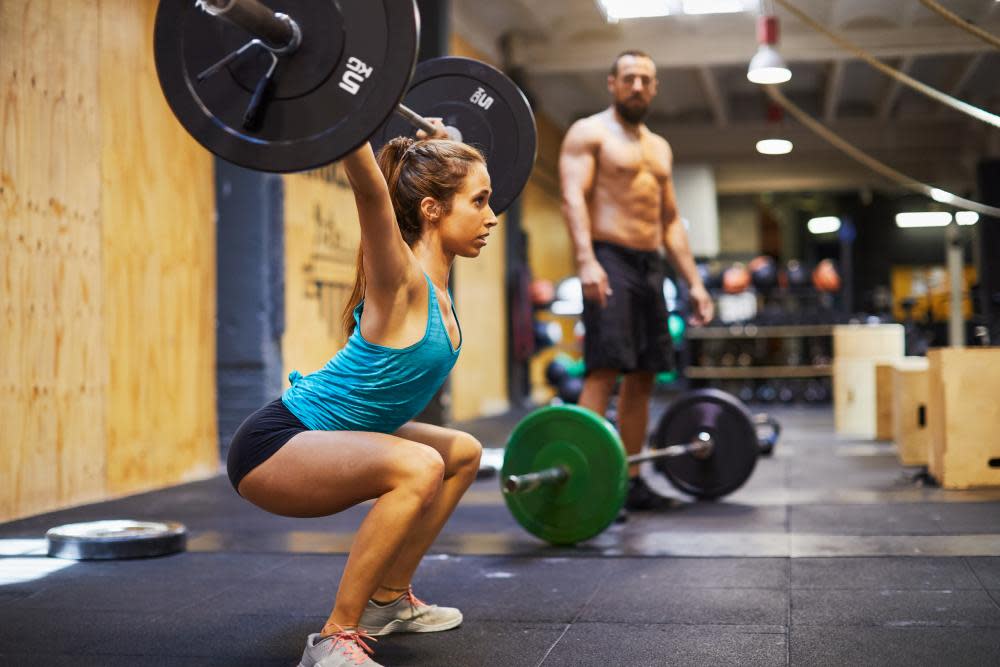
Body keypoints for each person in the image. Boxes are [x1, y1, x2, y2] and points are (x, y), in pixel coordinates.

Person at [226, 128, 497, 667]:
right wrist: (346, 117)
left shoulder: (441, 292)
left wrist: (449, 140)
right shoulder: (400, 280)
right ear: (431, 209)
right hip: (277, 445)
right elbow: (371, 191)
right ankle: (335, 638)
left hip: (336, 439)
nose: (492, 217)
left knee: (461, 453)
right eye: (480, 201)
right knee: (420, 466)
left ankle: (387, 602)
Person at [559, 50, 714, 512]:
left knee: (645, 373)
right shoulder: (589, 133)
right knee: (604, 368)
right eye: (629, 78)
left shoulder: (659, 148)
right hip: (609, 257)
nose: (638, 87)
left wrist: (694, 283)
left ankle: (631, 479)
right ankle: (585, 478)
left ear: (655, 86)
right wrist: (586, 260)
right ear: (612, 83)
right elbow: (572, 198)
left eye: (646, 79)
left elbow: (670, 222)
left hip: (650, 265)